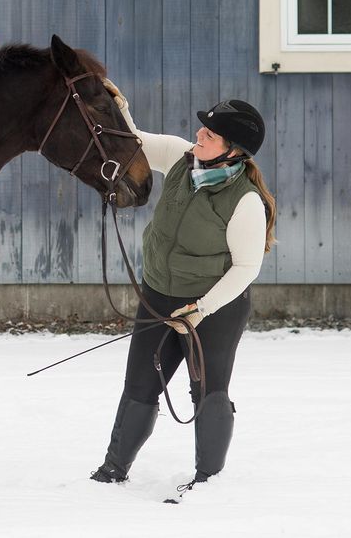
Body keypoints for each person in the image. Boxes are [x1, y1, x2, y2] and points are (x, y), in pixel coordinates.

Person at [89, 81, 277, 494]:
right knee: (139, 385)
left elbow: (246, 268)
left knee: (207, 392)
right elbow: (134, 140)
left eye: (209, 134)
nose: (199, 136)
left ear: (234, 150)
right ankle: (111, 471)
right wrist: (118, 104)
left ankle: (206, 480)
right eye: (202, 129)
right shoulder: (180, 158)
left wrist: (201, 308)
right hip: (159, 295)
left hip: (215, 308)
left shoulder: (245, 201)